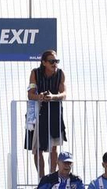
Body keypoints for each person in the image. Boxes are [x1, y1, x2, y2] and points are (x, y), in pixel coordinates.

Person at [26, 48, 68, 177]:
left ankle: (52, 177)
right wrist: (40, 97)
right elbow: (30, 94)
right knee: (37, 148)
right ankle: (42, 179)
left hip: (55, 111)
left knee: (54, 146)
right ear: (43, 62)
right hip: (38, 112)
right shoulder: (35, 73)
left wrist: (53, 97)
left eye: (56, 61)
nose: (54, 63)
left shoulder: (60, 74)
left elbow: (64, 94)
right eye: (51, 61)